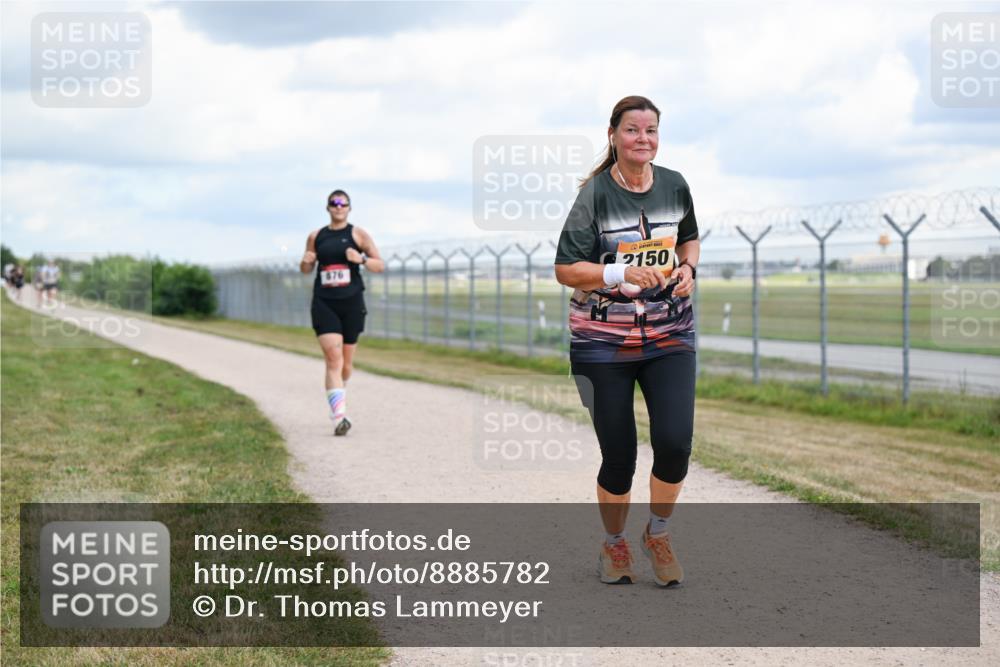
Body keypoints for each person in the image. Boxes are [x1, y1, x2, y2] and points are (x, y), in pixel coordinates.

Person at [554, 95, 700, 587]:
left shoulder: (675, 185)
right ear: (614, 135)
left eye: (652, 130)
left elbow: (689, 238)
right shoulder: (593, 196)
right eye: (633, 130)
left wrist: (687, 269)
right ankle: (614, 546)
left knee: (675, 442)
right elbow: (565, 270)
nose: (644, 139)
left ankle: (657, 534)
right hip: (602, 343)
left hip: (669, 333)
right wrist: (619, 271)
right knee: (620, 455)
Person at [299, 190, 385, 436]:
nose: (338, 207)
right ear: (327, 208)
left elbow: (379, 264)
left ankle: (339, 393)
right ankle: (339, 417)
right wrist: (306, 261)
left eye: (343, 204)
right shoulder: (316, 236)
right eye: (334, 204)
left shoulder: (358, 234)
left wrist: (361, 260)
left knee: (346, 365)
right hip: (324, 303)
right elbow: (306, 268)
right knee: (333, 359)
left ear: (349, 208)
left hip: (352, 303)